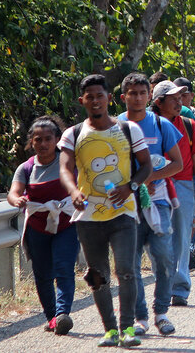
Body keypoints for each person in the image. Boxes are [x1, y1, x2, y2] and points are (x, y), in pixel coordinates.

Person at [58, 74, 152, 348]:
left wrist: (130, 186)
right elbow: (64, 168)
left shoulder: (128, 129)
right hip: (88, 216)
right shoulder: (73, 133)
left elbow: (146, 166)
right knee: (97, 273)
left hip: (123, 212)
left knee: (125, 270)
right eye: (90, 97)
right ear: (82, 101)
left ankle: (128, 329)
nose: (96, 101)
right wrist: (73, 191)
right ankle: (110, 329)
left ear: (109, 98)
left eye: (100, 95)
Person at [116, 73, 184, 337]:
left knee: (165, 258)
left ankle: (162, 312)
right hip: (125, 207)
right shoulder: (113, 126)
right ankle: (140, 316)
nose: (137, 98)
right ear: (123, 97)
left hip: (158, 204)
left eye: (142, 93)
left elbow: (177, 164)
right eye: (132, 93)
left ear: (149, 96)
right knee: (129, 265)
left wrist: (149, 177)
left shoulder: (161, 124)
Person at [7, 116, 78, 336]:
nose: (44, 144)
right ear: (31, 142)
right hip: (38, 227)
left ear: (58, 139)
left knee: (64, 267)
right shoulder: (26, 168)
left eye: (48, 138)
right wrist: (16, 200)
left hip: (67, 224)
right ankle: (52, 317)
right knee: (43, 274)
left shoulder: (69, 161)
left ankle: (63, 313)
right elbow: (13, 192)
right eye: (38, 139)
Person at [150, 81, 195, 308]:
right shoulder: (147, 125)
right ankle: (163, 282)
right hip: (153, 185)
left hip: (183, 185)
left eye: (180, 97)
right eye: (173, 98)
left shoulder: (188, 124)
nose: (179, 102)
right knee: (156, 237)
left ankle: (180, 288)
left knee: (183, 236)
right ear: (158, 102)